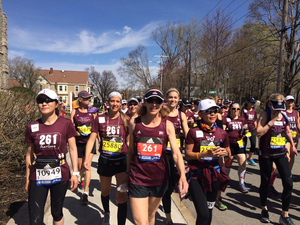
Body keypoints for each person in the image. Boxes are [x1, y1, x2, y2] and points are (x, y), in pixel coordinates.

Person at [126, 88, 188, 225]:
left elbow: (176, 154)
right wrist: (126, 174)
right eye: (150, 100)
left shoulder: (167, 125)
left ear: (162, 104)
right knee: (140, 221)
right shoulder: (134, 123)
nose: (154, 104)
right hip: (138, 178)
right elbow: (130, 151)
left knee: (150, 215)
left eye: (158, 101)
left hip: (159, 179)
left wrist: (183, 175)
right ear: (144, 102)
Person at [25, 89, 79, 225]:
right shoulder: (32, 127)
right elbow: (29, 154)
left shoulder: (66, 124)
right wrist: (27, 179)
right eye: (40, 101)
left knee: (56, 212)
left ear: (56, 104)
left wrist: (75, 173)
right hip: (38, 175)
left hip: (60, 174)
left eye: (48, 100)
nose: (44, 104)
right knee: (35, 218)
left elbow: (73, 149)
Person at [84, 91, 129, 225]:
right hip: (105, 160)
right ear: (108, 102)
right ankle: (107, 213)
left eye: (118, 101)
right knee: (105, 191)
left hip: (121, 160)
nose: (115, 104)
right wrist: (87, 158)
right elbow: (92, 139)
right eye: (112, 101)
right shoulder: (100, 119)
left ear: (121, 103)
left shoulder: (126, 119)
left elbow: (131, 141)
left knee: (121, 194)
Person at [185, 99, 230, 225]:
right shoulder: (193, 132)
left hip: (214, 175)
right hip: (197, 176)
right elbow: (188, 154)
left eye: (214, 111)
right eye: (208, 111)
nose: (212, 114)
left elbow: (228, 151)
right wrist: (205, 154)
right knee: (203, 213)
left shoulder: (222, 132)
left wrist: (224, 153)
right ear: (200, 114)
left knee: (209, 211)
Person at [257, 93, 296, 224]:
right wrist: (272, 121)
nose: (278, 110)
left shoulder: (284, 114)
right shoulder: (265, 114)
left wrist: (292, 146)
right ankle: (264, 208)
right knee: (265, 182)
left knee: (288, 183)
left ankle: (284, 214)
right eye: (275, 107)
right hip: (266, 154)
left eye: (280, 107)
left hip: (280, 153)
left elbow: (287, 131)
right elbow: (258, 132)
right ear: (270, 104)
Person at [163, 88, 189, 225]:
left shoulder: (181, 115)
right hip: (163, 155)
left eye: (175, 97)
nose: (173, 99)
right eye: (170, 97)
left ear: (178, 99)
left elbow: (188, 135)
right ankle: (168, 218)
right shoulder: (162, 114)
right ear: (167, 99)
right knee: (166, 188)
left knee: (173, 185)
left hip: (176, 155)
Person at [70, 90, 97, 205]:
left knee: (87, 166)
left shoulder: (93, 111)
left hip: (90, 142)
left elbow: (97, 127)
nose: (88, 100)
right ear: (80, 100)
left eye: (89, 98)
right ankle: (81, 178)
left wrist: (100, 139)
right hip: (79, 142)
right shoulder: (74, 112)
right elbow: (71, 127)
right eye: (86, 98)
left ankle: (85, 192)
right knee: (81, 165)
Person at [222, 103, 249, 193]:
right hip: (229, 143)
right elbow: (223, 131)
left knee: (243, 162)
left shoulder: (242, 119)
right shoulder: (226, 119)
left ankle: (241, 183)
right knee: (228, 162)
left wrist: (245, 131)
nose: (236, 110)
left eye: (238, 109)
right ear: (230, 109)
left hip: (239, 143)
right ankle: (226, 181)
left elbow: (246, 128)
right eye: (234, 109)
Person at [241, 98, 258, 166]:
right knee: (244, 144)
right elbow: (242, 119)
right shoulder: (244, 110)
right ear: (248, 103)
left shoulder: (254, 111)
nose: (253, 104)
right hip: (246, 129)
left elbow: (255, 120)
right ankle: (244, 158)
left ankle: (250, 158)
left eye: (254, 103)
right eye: (252, 103)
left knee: (253, 144)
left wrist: (256, 126)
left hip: (252, 129)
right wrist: (245, 128)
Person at [285, 95, 299, 172]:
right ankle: (285, 172)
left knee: (292, 155)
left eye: (292, 101)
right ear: (286, 102)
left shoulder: (296, 112)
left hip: (295, 137)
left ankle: (289, 172)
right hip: (286, 136)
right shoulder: (283, 112)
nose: (290, 102)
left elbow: (298, 124)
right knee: (287, 155)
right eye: (288, 101)